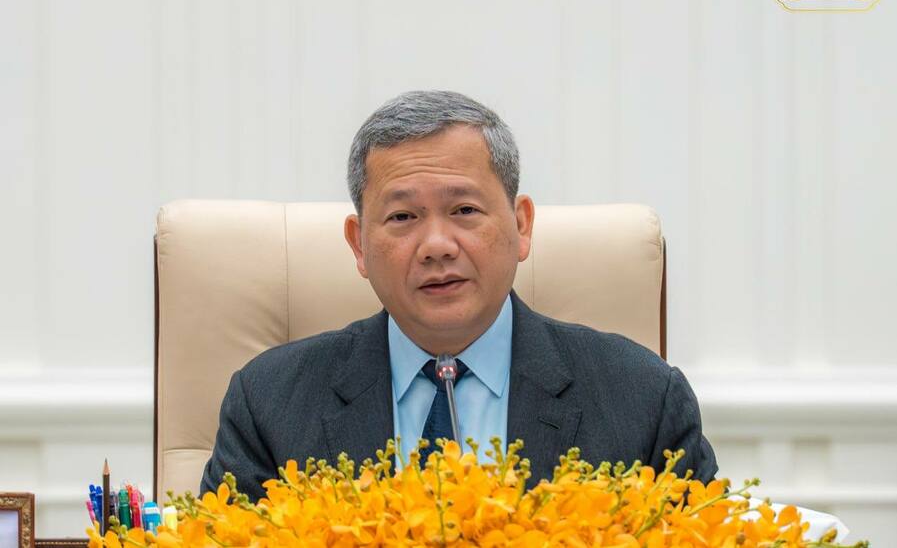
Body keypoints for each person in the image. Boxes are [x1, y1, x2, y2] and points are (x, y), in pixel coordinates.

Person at [200, 90, 717, 502]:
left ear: (521, 225)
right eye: (403, 216)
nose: (437, 246)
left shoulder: (643, 399)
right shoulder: (269, 402)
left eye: (465, 210)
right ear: (358, 245)